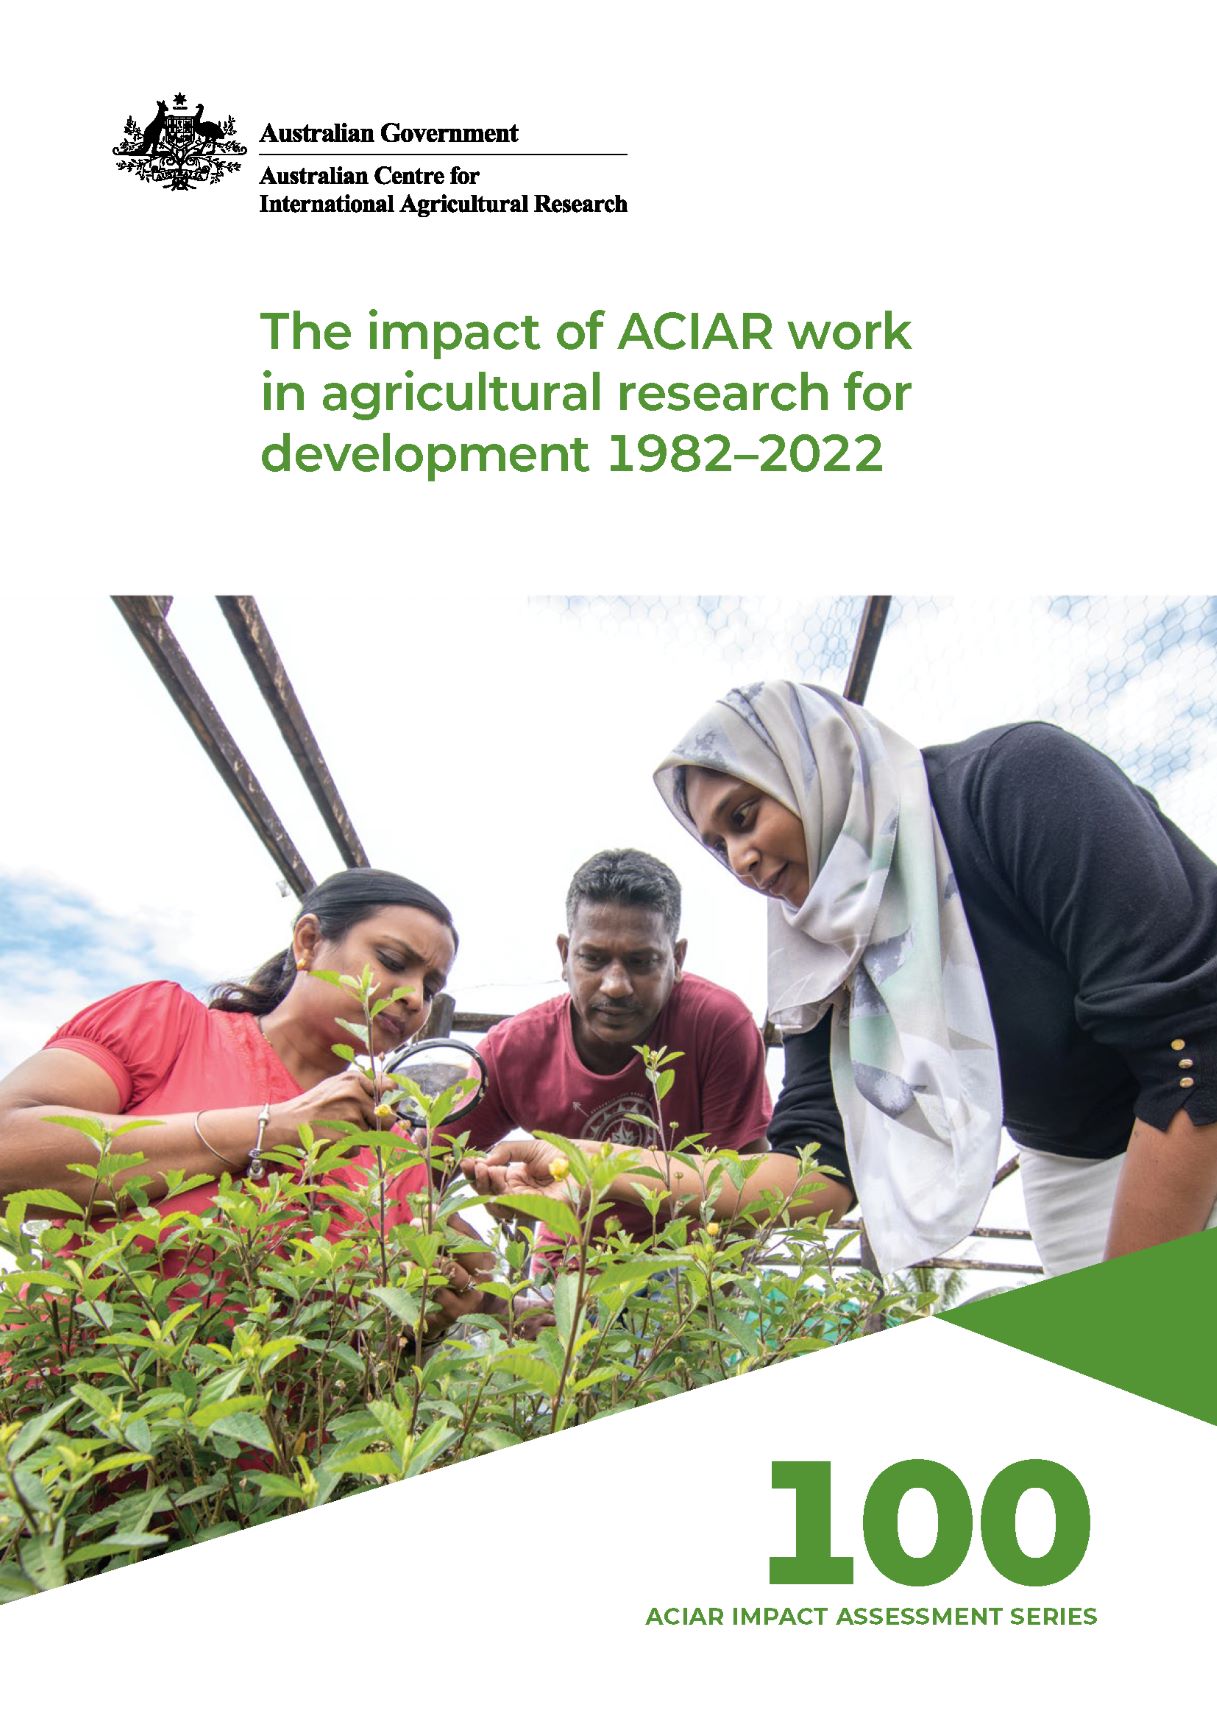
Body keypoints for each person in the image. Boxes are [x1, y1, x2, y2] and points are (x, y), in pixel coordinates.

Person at [641, 680, 1217, 1279]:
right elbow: (819, 1173)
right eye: (718, 846)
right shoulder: (819, 948)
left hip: (1189, 1109)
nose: (740, 861)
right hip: (1071, 1159)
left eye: (743, 817)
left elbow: (1192, 1037)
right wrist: (598, 1168)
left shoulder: (1015, 785)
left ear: (811, 767)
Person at [0, 867, 487, 1324]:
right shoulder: (170, 1026)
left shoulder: (393, 1153)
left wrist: (443, 1311)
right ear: (309, 942)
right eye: (393, 962)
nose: (414, 997)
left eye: (431, 985)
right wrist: (274, 1127)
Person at [458, 848, 852, 1236]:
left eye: (642, 962)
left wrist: (703, 1298)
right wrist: (473, 1254)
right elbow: (421, 1162)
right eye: (592, 960)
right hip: (568, 1263)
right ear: (564, 955)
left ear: (677, 959)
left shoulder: (717, 1026)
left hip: (685, 1263)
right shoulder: (512, 1050)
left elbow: (741, 1195)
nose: (615, 986)